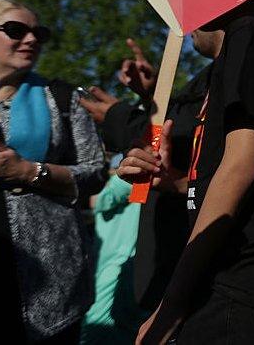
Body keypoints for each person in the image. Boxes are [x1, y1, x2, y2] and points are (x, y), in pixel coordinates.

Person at [118, 0, 254, 344]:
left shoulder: (247, 34)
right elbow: (242, 176)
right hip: (242, 285)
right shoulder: (238, 55)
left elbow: (242, 166)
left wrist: (171, 305)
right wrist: (175, 181)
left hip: (243, 284)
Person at [0, 0, 107, 343]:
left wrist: (27, 171)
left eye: (39, 33)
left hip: (46, 283)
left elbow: (95, 172)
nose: (31, 39)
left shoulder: (61, 98)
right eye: (15, 30)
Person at [79, 37, 211, 313]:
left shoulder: (233, 74)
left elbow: (184, 145)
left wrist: (120, 118)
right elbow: (172, 135)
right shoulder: (208, 79)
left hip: (180, 279)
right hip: (143, 275)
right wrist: (152, 96)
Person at [80, 157, 147, 344]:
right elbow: (99, 200)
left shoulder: (126, 185)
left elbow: (97, 199)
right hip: (117, 274)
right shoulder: (118, 188)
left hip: (126, 274)